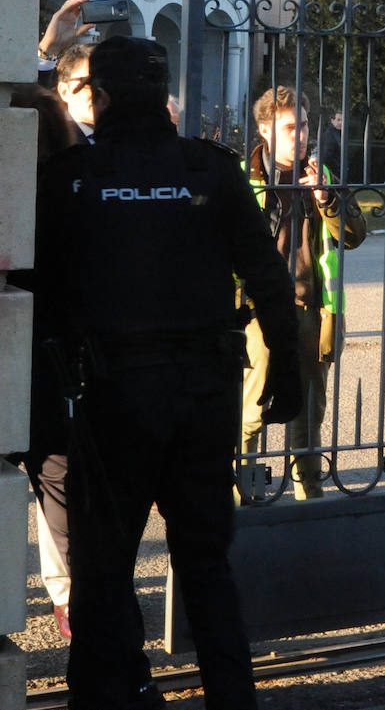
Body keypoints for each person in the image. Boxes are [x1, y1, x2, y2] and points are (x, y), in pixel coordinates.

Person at [33, 36, 303, 710]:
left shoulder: (70, 178)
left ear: (101, 95)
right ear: (162, 94)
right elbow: (268, 276)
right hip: (203, 394)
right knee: (206, 567)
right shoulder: (209, 169)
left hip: (111, 398)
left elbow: (39, 290)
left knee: (103, 570)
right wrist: (286, 370)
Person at [241, 86, 367, 500]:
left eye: (306, 125)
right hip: (256, 312)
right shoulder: (244, 177)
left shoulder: (320, 176)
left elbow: (354, 236)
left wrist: (326, 199)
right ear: (265, 129)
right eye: (291, 126)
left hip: (312, 309)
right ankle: (241, 496)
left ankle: (308, 498)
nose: (302, 134)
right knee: (252, 409)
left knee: (308, 414)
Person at [5, 85, 79, 640]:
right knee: (59, 485)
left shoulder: (14, 196)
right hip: (57, 364)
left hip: (19, 359)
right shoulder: (75, 193)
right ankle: (75, 604)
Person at [317, 108, 344, 175]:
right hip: (332, 171)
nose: (341, 122)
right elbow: (327, 156)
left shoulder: (339, 133)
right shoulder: (329, 135)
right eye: (338, 120)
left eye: (342, 120)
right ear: (332, 121)